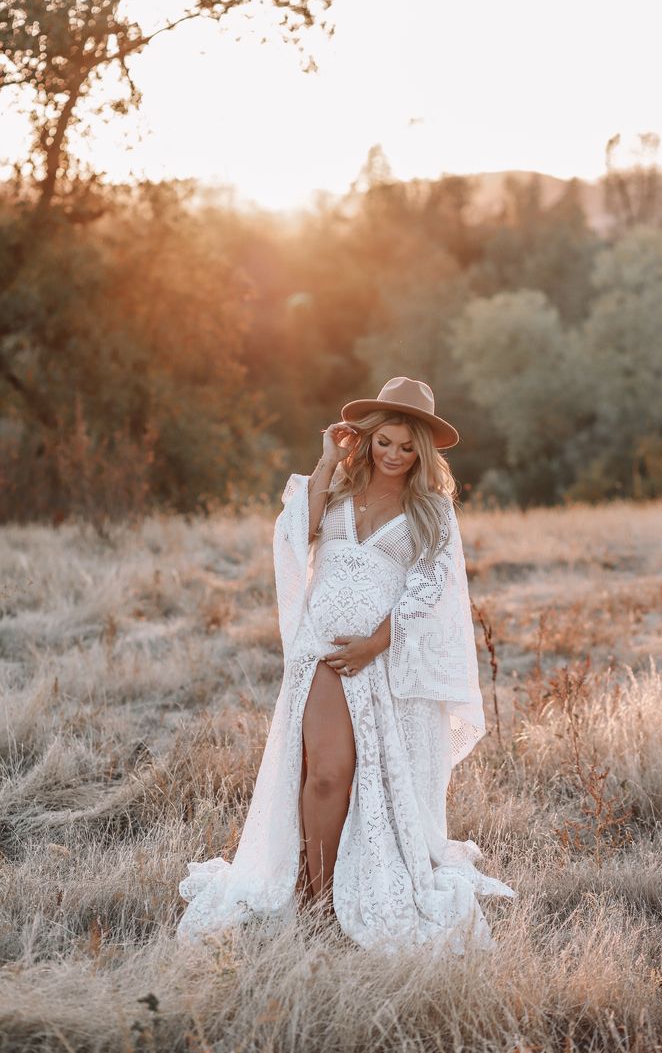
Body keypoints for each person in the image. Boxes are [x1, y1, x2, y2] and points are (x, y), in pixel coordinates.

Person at [177, 376, 516, 952]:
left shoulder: (430, 509)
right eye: (385, 442)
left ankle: (337, 896)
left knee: (364, 782)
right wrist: (326, 461)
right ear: (367, 437)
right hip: (321, 652)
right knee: (324, 773)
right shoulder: (332, 488)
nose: (395, 456)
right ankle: (313, 901)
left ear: (424, 452)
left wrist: (376, 643)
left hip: (379, 660)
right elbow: (296, 537)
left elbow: (429, 589)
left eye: (408, 447)